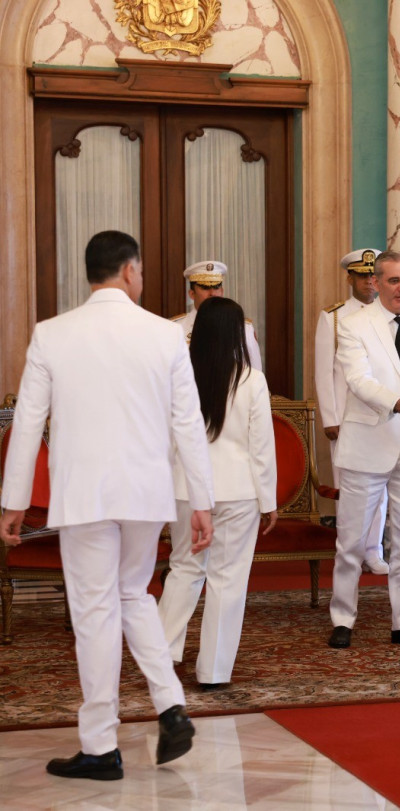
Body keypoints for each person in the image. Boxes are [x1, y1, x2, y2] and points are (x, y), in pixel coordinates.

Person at [0, 230, 214, 780]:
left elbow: (28, 421)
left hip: (85, 495)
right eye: (140, 271)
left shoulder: (52, 334)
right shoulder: (165, 336)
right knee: (134, 596)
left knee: (96, 611)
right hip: (146, 494)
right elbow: (187, 422)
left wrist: (14, 501)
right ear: (127, 271)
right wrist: (203, 501)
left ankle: (100, 746)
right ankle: (169, 707)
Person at [158, 296, 278, 691]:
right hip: (239, 490)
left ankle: (160, 656)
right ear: (236, 334)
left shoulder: (177, 377)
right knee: (228, 579)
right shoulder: (251, 379)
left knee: (184, 569)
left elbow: (166, 441)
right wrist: (269, 500)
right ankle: (213, 672)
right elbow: (261, 446)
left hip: (187, 490)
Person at [328, 251, 400, 649]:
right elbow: (358, 380)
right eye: (395, 281)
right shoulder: (352, 323)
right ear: (375, 283)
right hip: (369, 441)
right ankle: (343, 616)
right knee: (353, 540)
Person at [315, 248, 390, 575]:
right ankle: (350, 551)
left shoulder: (390, 315)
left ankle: (373, 551)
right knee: (350, 490)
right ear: (350, 278)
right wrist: (330, 417)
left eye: (373, 276)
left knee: (382, 491)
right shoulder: (333, 316)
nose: (369, 283)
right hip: (347, 419)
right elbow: (323, 371)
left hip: (384, 419)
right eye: (362, 276)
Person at [171, 260, 263, 372]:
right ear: (192, 294)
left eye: (216, 287)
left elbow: (255, 373)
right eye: (205, 288)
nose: (212, 293)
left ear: (222, 291)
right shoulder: (175, 328)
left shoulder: (243, 328)